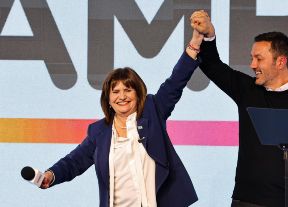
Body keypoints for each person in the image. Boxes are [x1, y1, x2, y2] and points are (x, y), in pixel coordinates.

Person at [190, 10, 288, 207]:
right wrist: (209, 34)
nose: (252, 64)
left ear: (280, 61)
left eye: (259, 59)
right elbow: (211, 65)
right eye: (252, 58)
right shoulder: (247, 91)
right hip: (245, 202)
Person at [39, 30, 204, 207]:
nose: (122, 96)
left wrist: (194, 45)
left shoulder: (152, 110)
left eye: (128, 90)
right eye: (115, 92)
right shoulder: (99, 132)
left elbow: (174, 83)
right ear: (108, 100)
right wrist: (51, 175)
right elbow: (74, 161)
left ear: (138, 93)